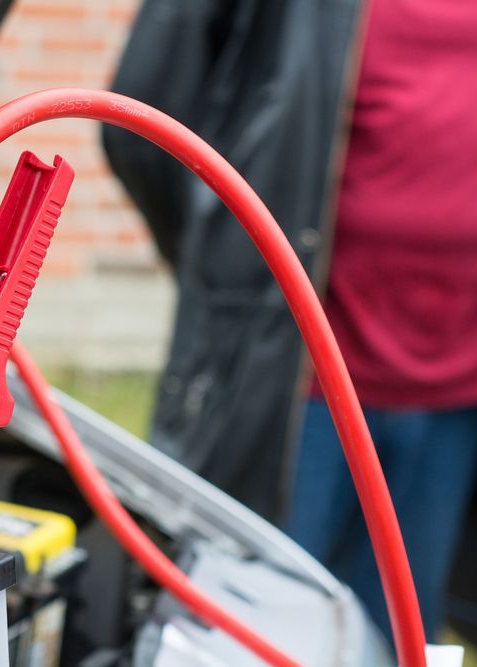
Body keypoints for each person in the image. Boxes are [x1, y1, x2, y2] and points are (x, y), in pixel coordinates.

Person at [103, 0, 477, 643]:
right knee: (253, 631)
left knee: (395, 633)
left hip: (457, 392)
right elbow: (146, 118)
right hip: (295, 388)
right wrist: (226, 272)